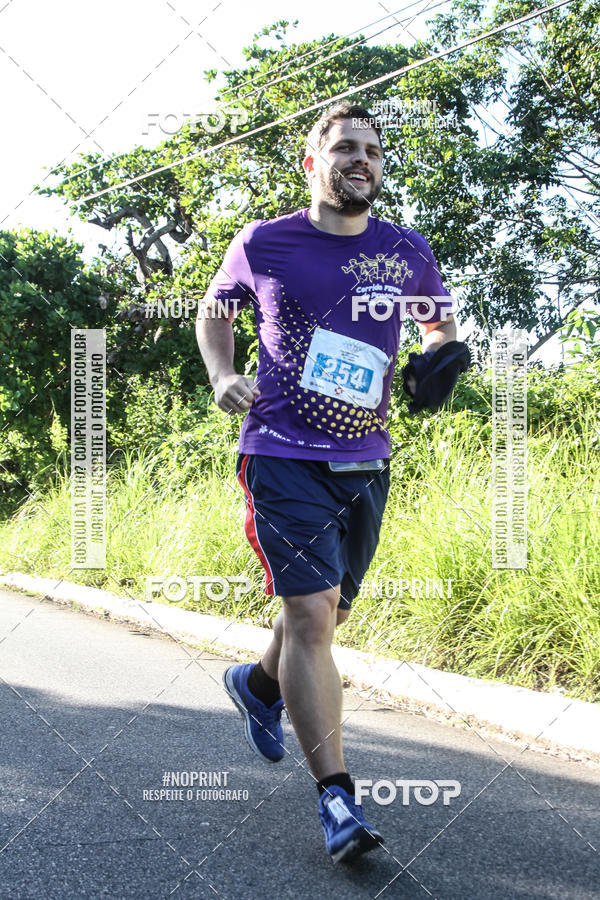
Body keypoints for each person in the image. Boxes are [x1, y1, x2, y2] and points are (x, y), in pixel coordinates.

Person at [196, 101, 456, 863]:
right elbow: (216, 310)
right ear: (313, 163)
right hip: (280, 450)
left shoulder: (405, 250)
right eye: (345, 147)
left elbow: (438, 323)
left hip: (365, 458)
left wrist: (443, 357)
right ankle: (337, 800)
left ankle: (259, 686)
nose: (362, 160)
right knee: (310, 612)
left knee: (325, 615)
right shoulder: (267, 242)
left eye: (373, 151)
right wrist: (222, 374)